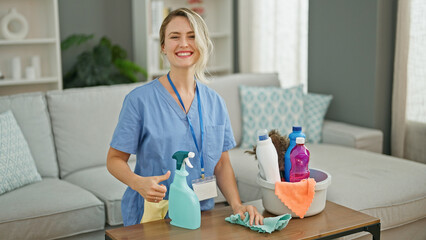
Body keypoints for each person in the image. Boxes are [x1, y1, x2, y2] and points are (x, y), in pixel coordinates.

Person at [107, 8, 264, 227]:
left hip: (199, 215)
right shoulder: (139, 101)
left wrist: (237, 205)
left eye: (192, 36)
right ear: (163, 46)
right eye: (174, 37)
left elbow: (221, 162)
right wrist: (137, 182)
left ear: (202, 43)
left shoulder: (215, 102)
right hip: (153, 216)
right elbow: (114, 159)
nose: (184, 44)